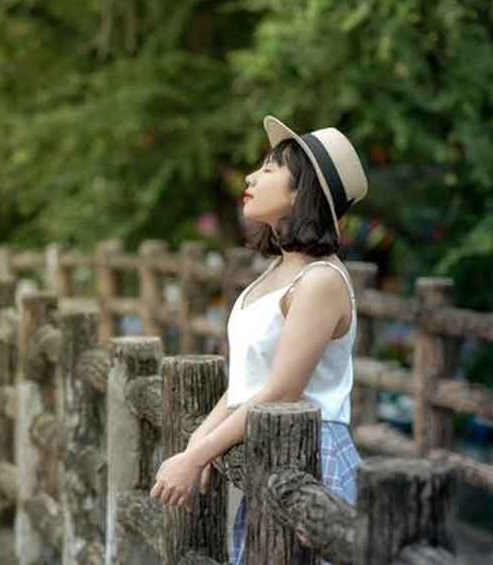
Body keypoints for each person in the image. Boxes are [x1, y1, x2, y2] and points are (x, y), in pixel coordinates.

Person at [149, 115, 368, 564]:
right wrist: (194, 449)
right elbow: (243, 386)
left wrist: (197, 457)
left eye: (269, 169)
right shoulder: (274, 274)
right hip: (269, 448)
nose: (251, 176)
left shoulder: (320, 280)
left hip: (312, 453)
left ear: (300, 191)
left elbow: (282, 391)